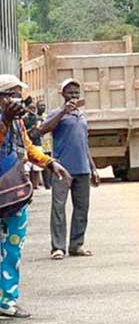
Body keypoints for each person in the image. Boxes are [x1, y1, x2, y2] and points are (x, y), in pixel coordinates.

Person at [0, 75, 70, 318]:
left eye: (19, 95)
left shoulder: (18, 122)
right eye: (13, 94)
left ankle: (7, 299)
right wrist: (5, 120)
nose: (19, 100)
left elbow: (28, 147)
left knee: (13, 247)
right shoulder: (8, 119)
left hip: (13, 195)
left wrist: (50, 163)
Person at [37, 79, 100, 260]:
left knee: (82, 208)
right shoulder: (57, 114)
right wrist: (63, 112)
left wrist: (93, 168)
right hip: (62, 170)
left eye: (76, 93)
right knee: (58, 207)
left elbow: (84, 144)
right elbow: (42, 130)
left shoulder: (81, 116)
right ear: (62, 94)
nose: (73, 96)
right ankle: (58, 247)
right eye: (70, 92)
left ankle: (76, 245)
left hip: (82, 169)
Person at [21, 99, 43, 189]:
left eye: (34, 108)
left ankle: (35, 185)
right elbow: (23, 132)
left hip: (37, 143)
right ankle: (28, 184)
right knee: (27, 167)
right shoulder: (24, 119)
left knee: (37, 166)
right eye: (31, 108)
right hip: (27, 143)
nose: (32, 110)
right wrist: (31, 129)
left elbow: (41, 130)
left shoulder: (38, 118)